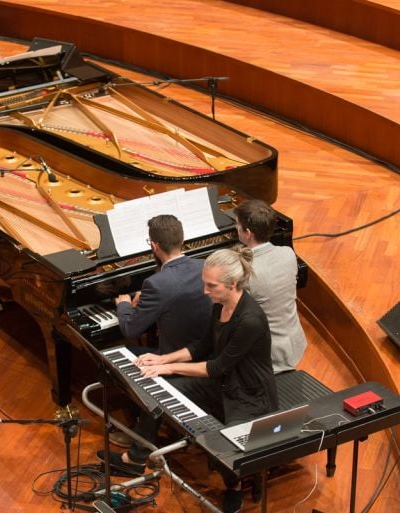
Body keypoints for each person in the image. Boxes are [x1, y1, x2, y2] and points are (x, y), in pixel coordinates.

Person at [102, 247, 278, 513]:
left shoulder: (250, 319)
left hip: (249, 394)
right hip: (222, 383)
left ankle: (235, 487)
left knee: (226, 447)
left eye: (211, 286)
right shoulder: (220, 305)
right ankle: (136, 458)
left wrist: (171, 369)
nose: (205, 292)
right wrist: (163, 360)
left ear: (232, 284)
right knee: (155, 391)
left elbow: (217, 367)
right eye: (204, 284)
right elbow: (202, 346)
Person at [115, 214, 212, 355]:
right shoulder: (206, 266)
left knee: (115, 354)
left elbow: (130, 330)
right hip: (208, 351)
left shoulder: (155, 284)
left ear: (154, 246)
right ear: (182, 240)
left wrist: (124, 305)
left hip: (174, 358)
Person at [234, 199, 307, 373]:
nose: (235, 228)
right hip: (294, 340)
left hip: (268, 352)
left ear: (248, 233)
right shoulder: (287, 253)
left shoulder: (246, 271)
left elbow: (236, 314)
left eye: (237, 224)